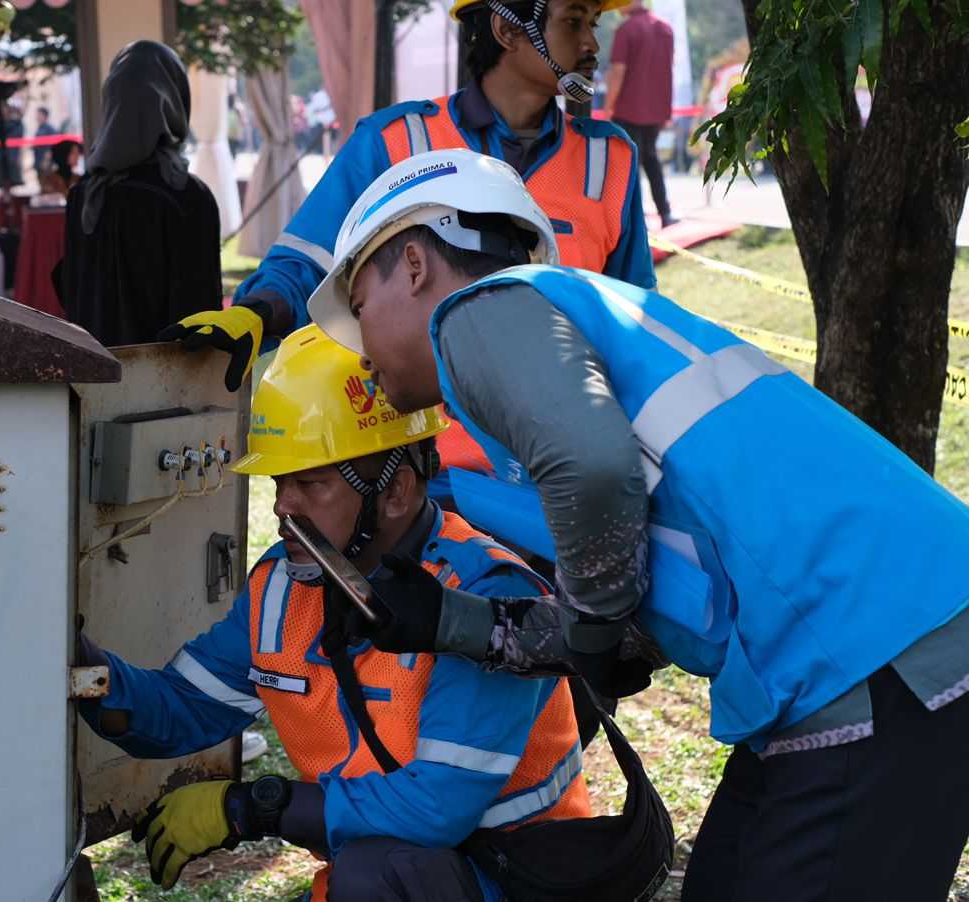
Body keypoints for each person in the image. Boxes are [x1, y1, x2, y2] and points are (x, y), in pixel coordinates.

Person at [302, 147, 969, 902]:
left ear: (416, 265)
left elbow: (592, 480)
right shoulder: (558, 348)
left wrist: (589, 626)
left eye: (359, 309)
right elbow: (629, 618)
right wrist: (448, 622)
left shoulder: (480, 312)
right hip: (876, 647)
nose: (361, 354)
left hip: (875, 652)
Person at [77, 325, 590, 900]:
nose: (282, 507)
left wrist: (253, 807)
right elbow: (179, 711)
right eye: (278, 482)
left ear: (395, 491)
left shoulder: (485, 600)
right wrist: (82, 670)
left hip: (520, 879)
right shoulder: (282, 586)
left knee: (373, 875)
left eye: (312, 484)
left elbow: (433, 810)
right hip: (391, 874)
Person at [160, 0, 651, 502]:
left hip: (559, 477)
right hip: (417, 476)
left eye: (594, 24)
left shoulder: (607, 160)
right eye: (573, 22)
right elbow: (310, 258)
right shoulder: (396, 141)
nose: (592, 44)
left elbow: (630, 321)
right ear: (507, 29)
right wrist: (257, 314)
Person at [53, 41, 222, 346]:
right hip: (168, 383)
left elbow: (72, 293)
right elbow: (201, 315)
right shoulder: (186, 196)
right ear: (175, 101)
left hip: (93, 380)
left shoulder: (82, 195)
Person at [605, 1, 676, 227]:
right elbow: (668, 68)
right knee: (651, 158)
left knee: (629, 163)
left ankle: (635, 219)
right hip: (656, 107)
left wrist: (609, 105)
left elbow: (618, 71)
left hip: (628, 107)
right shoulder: (665, 28)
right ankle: (665, 213)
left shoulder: (626, 30)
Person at [31, 105, 57, 173]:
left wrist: (46, 161)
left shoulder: (50, 129)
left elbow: (52, 147)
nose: (37, 117)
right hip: (38, 162)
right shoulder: (39, 129)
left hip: (46, 164)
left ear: (44, 116)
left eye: (39, 114)